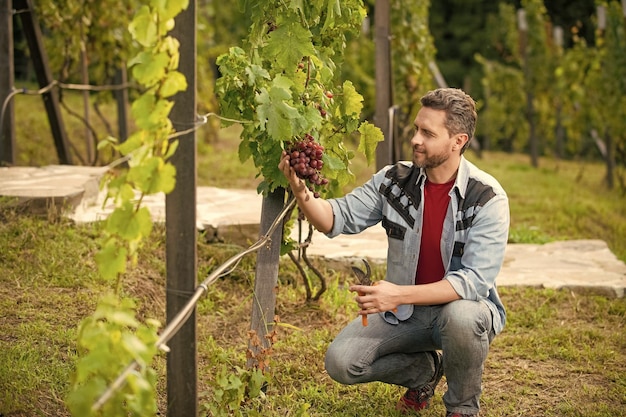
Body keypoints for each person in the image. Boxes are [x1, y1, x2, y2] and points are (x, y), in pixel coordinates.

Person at [278, 87, 509, 417]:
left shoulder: (486, 198)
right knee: (341, 362)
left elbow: (473, 282)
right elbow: (335, 218)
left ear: (458, 141)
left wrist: (398, 294)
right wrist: (300, 189)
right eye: (416, 128)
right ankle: (424, 373)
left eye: (428, 133)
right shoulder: (394, 180)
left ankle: (461, 408)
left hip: (460, 313)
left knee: (462, 316)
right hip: (407, 315)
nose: (416, 139)